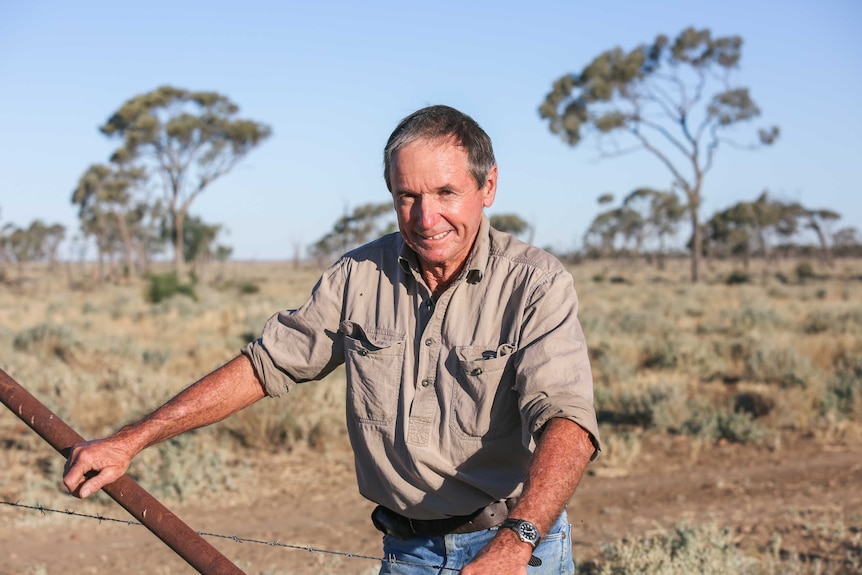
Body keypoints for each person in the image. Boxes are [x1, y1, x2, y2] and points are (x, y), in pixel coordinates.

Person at [64, 105, 601, 575]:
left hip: (515, 545)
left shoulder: (536, 282)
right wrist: (129, 441)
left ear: (487, 188)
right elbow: (265, 365)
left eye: (445, 193)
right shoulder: (358, 276)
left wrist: (516, 543)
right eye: (407, 196)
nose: (425, 217)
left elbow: (567, 423)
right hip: (407, 550)